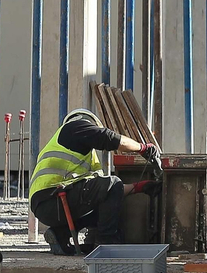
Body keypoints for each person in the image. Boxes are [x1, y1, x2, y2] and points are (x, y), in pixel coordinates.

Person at [28, 108, 161, 255]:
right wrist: (142, 148)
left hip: (47, 203)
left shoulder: (81, 153)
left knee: (108, 201)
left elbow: (111, 192)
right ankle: (106, 243)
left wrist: (139, 187)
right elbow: (108, 138)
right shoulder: (74, 127)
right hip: (53, 199)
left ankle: (61, 233)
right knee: (112, 183)